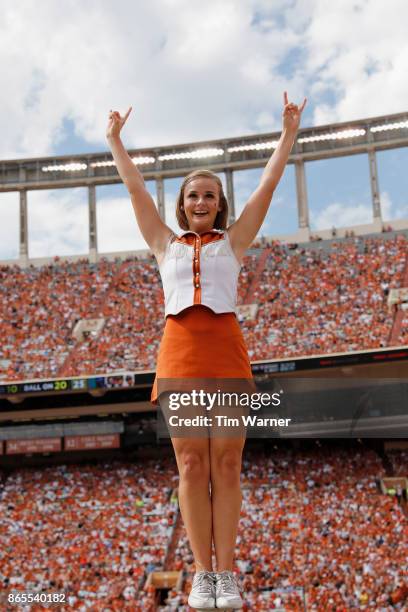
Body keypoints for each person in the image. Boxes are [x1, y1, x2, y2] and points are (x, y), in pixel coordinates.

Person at [106, 91, 306, 610]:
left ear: (220, 204)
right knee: (192, 465)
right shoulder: (162, 242)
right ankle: (201, 574)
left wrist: (287, 134)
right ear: (182, 203)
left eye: (209, 196)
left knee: (228, 464)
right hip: (180, 353)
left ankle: (226, 574)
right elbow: (134, 192)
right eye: (193, 195)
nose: (200, 202)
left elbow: (267, 184)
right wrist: (114, 143)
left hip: (226, 352)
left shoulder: (234, 242)